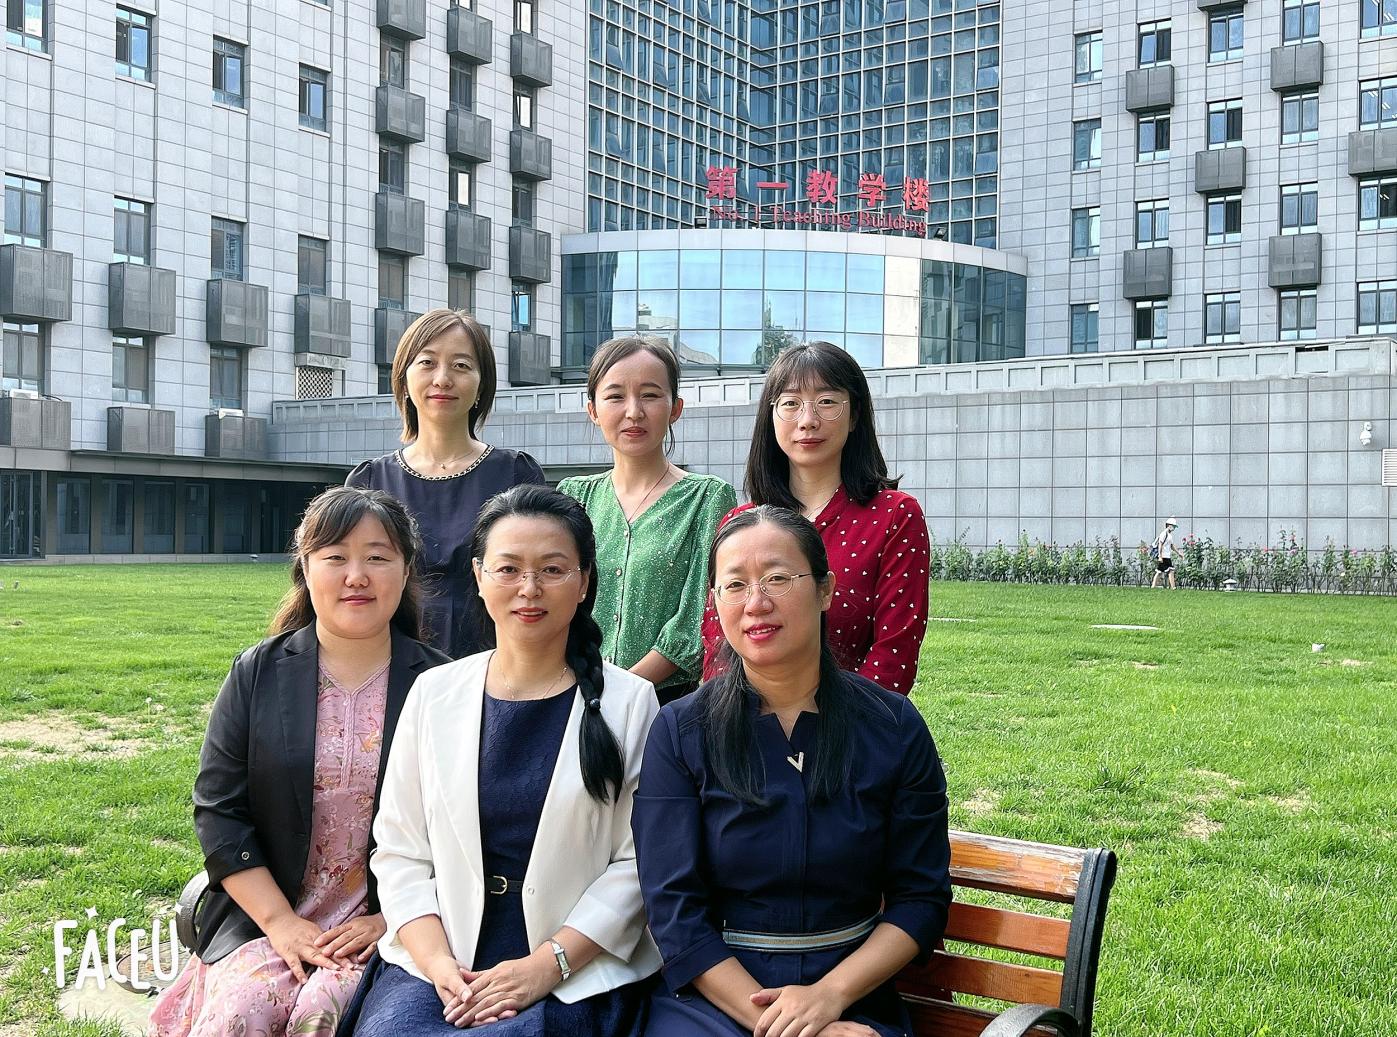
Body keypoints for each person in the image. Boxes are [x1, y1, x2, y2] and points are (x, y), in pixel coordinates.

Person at [343, 485, 662, 1036]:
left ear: (585, 581)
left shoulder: (630, 703)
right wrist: (438, 964)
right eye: (509, 569)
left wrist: (547, 966)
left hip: (573, 967)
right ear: (479, 575)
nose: (529, 589)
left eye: (552, 570)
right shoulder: (433, 694)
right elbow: (399, 851)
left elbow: (638, 864)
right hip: (441, 957)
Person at [633, 506, 951, 1037]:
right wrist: (791, 1027)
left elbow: (921, 899)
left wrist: (829, 998)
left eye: (778, 578)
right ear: (715, 601)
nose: (756, 603)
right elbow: (673, 911)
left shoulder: (892, 726)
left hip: (852, 993)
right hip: (715, 999)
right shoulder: (681, 731)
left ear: (825, 590)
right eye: (735, 585)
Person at [149, 487, 450, 1037]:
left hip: (389, 927)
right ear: (306, 569)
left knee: (323, 1013)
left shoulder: (444, 685)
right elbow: (219, 810)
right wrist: (281, 923)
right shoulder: (257, 674)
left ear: (405, 570)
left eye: (377, 557)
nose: (356, 576)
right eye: (335, 557)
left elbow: (466, 830)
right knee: (243, 1010)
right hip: (265, 918)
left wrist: (395, 918)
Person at [700, 341, 930, 695]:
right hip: (747, 721)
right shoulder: (740, 523)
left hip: (857, 720)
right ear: (771, 416)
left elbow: (894, 655)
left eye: (827, 402)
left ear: (854, 415)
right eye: (791, 403)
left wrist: (832, 723)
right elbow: (719, 649)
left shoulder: (895, 516)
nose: (808, 420)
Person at [347, 309, 546, 659]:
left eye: (461, 365)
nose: (442, 379)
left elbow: (539, 576)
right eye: (427, 362)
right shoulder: (369, 481)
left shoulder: (517, 474)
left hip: (496, 663)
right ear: (403, 379)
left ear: (482, 384)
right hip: (393, 663)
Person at [559, 337, 737, 704]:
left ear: (675, 408)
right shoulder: (574, 495)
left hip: (666, 703)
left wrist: (619, 691)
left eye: (650, 395)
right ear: (592, 410)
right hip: (573, 693)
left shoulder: (707, 497)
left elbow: (698, 616)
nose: (634, 412)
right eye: (615, 396)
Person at [1151, 517, 1178, 589]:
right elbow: (1160, 544)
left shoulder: (1169, 535)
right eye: (1173, 526)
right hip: (1163, 556)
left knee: (1161, 571)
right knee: (1169, 571)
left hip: (1167, 556)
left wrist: (1179, 553)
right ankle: (1173, 587)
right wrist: (1160, 556)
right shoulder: (1164, 534)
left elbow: (1172, 546)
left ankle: (1153, 586)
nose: (1174, 528)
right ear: (1169, 525)